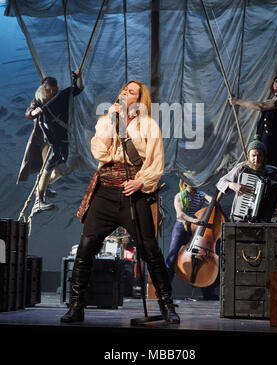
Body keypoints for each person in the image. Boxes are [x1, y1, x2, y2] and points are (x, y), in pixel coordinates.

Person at [61, 80, 180, 324]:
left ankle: (167, 305)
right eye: (124, 90)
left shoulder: (148, 125)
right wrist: (113, 119)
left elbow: (155, 164)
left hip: (133, 192)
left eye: (132, 91)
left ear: (140, 99)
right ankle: (76, 306)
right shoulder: (107, 120)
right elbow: (100, 153)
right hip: (105, 191)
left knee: (150, 250)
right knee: (86, 246)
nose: (126, 93)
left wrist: (140, 182)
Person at [17, 70, 84, 213]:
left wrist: (78, 77)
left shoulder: (61, 96)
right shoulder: (38, 101)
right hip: (47, 141)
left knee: (61, 163)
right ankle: (39, 200)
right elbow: (29, 112)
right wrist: (34, 112)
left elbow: (78, 89)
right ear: (43, 89)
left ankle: (44, 186)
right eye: (49, 89)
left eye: (54, 89)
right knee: (49, 164)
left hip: (62, 138)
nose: (52, 92)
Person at [229, 73, 277, 172]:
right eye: (276, 81)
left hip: (274, 141)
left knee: (269, 165)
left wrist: (237, 101)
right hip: (267, 138)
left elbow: (261, 106)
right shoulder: (276, 98)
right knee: (262, 163)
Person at [216, 135, 277, 221]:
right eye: (253, 155)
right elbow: (221, 182)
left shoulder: (272, 172)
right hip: (241, 218)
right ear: (248, 156)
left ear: (264, 157)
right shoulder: (241, 169)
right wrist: (232, 185)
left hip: (264, 219)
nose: (256, 159)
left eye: (259, 155)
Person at [165, 180, 212, 282]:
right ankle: (165, 288)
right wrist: (193, 220)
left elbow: (212, 201)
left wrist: (219, 191)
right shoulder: (179, 196)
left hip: (196, 229)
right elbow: (180, 214)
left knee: (201, 257)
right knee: (172, 255)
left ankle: (206, 289)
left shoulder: (200, 194)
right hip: (182, 227)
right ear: (185, 183)